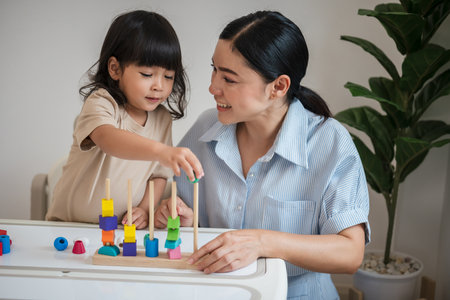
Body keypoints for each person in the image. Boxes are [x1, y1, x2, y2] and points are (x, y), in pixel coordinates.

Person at [155, 11, 370, 299]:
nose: (213, 86)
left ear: (278, 87)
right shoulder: (206, 128)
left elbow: (351, 253)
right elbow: (180, 207)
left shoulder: (329, 142)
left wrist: (263, 242)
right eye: (214, 69)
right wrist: (176, 213)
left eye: (229, 79)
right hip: (214, 291)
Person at [46, 10, 203, 229]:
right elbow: (108, 139)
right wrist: (161, 151)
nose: (159, 85)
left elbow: (158, 176)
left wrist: (145, 209)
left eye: (168, 76)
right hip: (70, 227)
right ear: (115, 69)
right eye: (147, 74)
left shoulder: (162, 119)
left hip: (120, 230)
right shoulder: (101, 102)